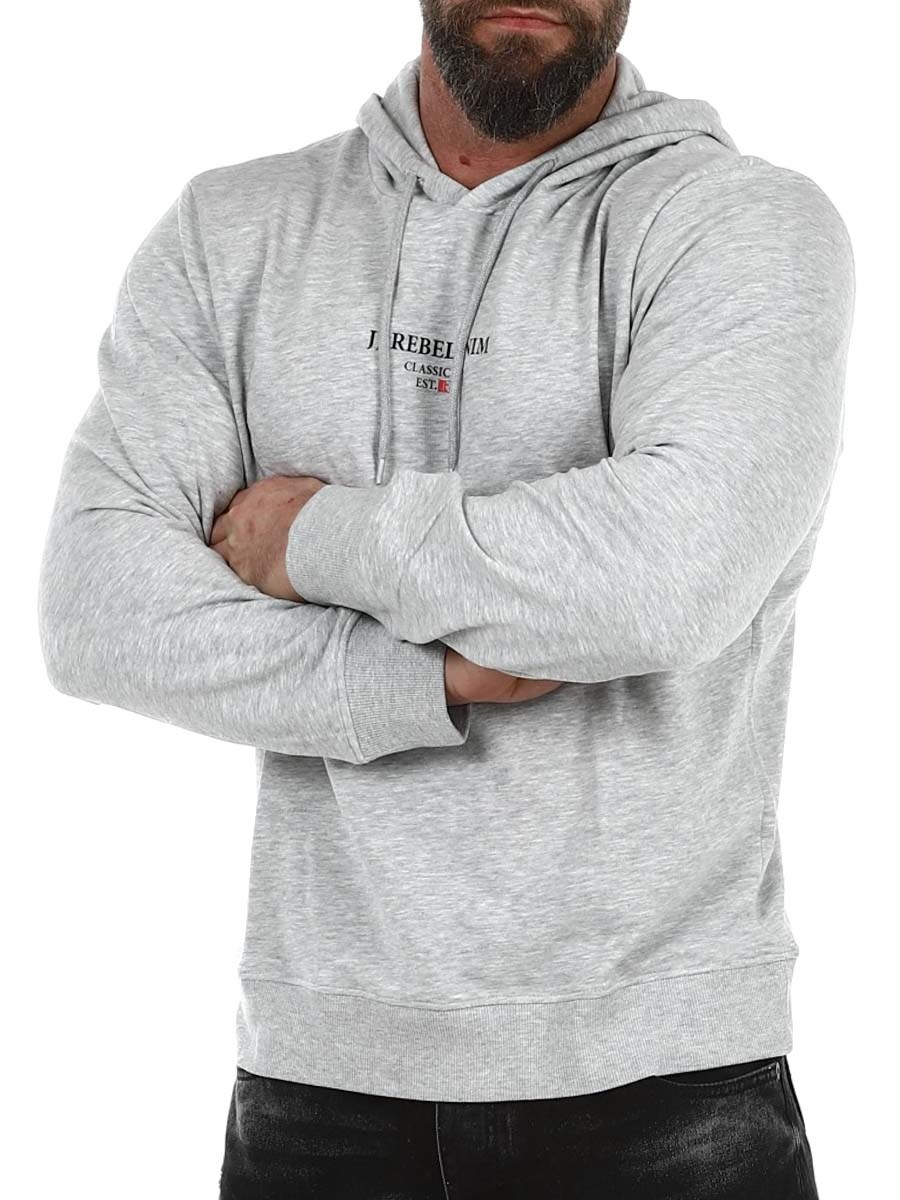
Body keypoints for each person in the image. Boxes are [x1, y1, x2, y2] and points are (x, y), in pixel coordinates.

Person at [38, 1, 854, 1196]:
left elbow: (664, 581)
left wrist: (310, 536)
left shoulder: (737, 225)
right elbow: (97, 608)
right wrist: (428, 676)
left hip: (664, 1077)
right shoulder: (234, 231)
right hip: (320, 1078)